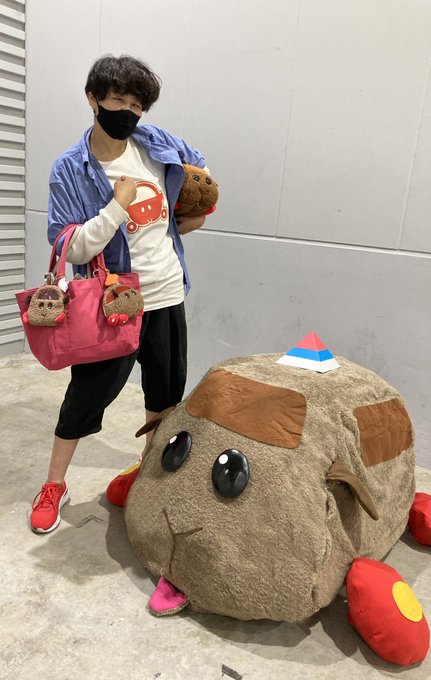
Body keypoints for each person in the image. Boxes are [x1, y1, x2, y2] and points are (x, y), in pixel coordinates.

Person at [30, 55, 210, 533]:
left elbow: (199, 171)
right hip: (114, 303)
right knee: (87, 397)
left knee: (164, 396)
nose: (129, 112)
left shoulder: (156, 143)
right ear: (93, 99)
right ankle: (54, 484)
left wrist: (194, 213)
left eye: (137, 105)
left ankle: (147, 476)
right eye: (119, 101)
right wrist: (116, 207)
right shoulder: (71, 167)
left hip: (167, 292)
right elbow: (70, 245)